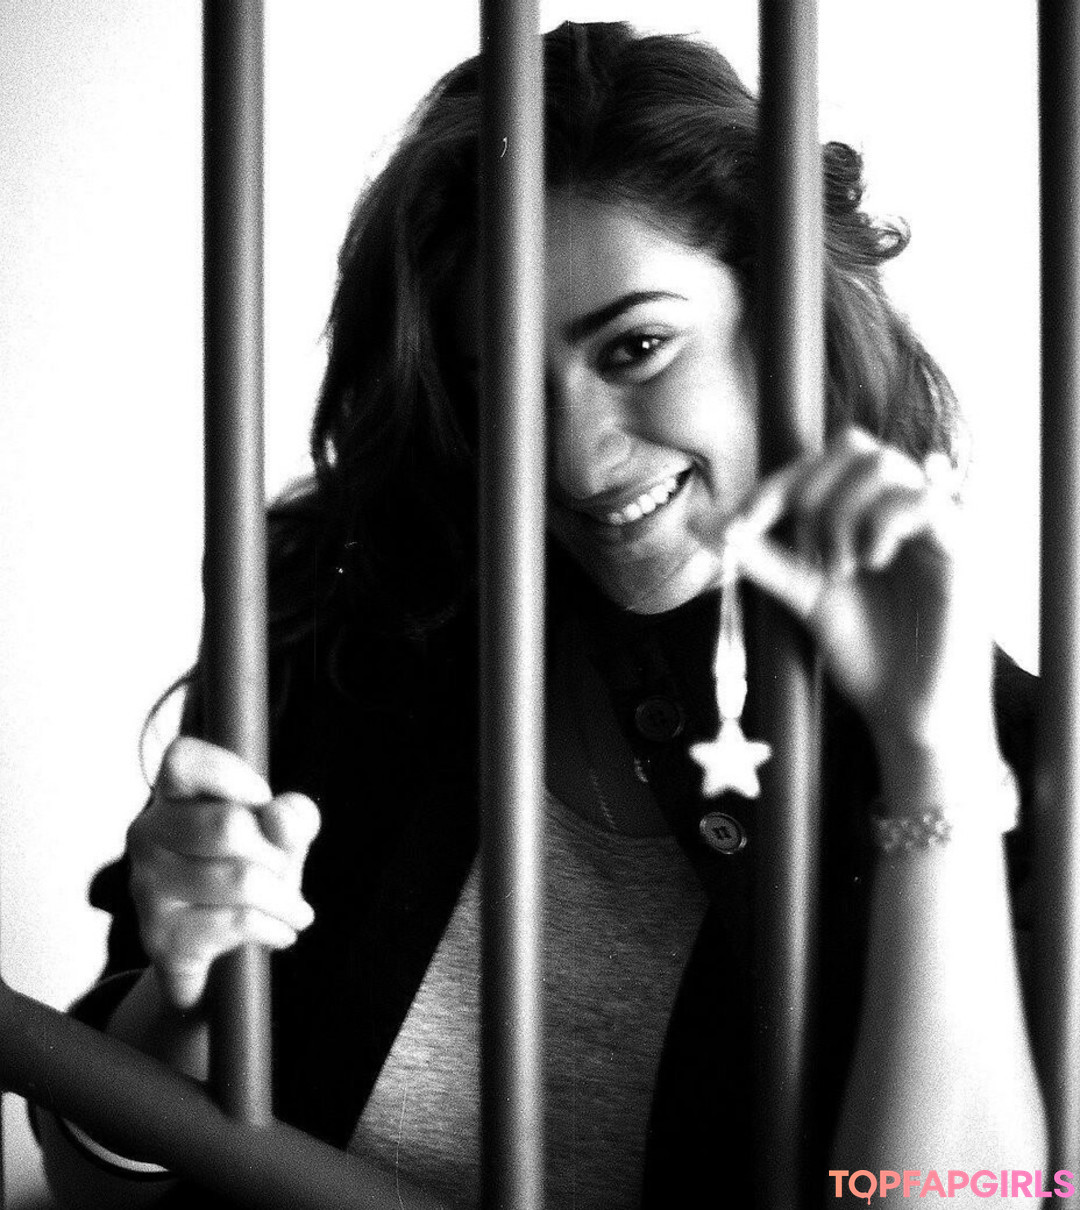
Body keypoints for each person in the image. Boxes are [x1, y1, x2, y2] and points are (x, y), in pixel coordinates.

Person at [36, 21, 1045, 1209]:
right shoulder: (348, 623)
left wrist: (936, 759)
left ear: (790, 312)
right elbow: (91, 1186)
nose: (575, 457)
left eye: (636, 347)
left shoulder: (1010, 750)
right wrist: (185, 994)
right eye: (501, 381)